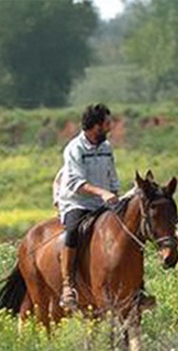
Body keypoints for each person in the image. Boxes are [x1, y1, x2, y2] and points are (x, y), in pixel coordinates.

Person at [54, 103, 121, 312]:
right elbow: (76, 184)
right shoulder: (74, 149)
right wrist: (102, 193)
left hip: (103, 202)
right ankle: (68, 285)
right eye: (107, 124)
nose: (110, 128)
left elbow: (112, 176)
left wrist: (116, 194)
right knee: (73, 232)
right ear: (96, 126)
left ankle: (137, 287)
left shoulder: (106, 147)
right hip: (77, 202)